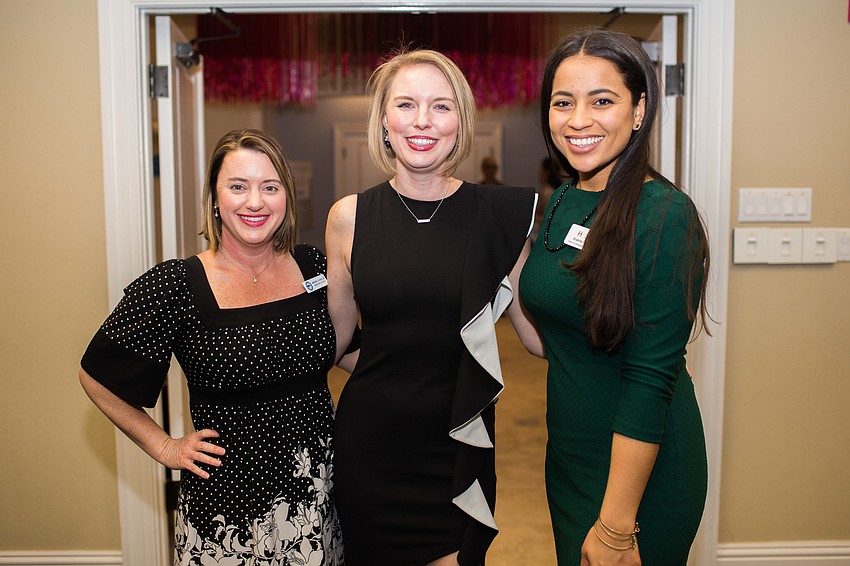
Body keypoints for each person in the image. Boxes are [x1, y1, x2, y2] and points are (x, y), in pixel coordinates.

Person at [79, 129, 344, 565]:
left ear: (286, 198)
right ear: (215, 198)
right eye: (238, 186)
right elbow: (98, 376)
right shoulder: (174, 286)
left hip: (319, 495)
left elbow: (344, 348)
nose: (254, 202)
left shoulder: (315, 267)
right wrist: (165, 447)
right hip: (228, 511)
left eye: (270, 187)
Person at [325, 49, 540, 566]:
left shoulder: (499, 218)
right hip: (371, 446)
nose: (422, 121)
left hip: (455, 446)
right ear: (383, 119)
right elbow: (335, 342)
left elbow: (535, 335)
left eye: (440, 107)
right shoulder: (348, 217)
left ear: (461, 121)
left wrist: (634, 346)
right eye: (406, 104)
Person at [519, 29, 710, 565]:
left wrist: (617, 527)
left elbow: (650, 380)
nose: (579, 120)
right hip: (573, 458)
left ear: (639, 107)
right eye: (563, 102)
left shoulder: (664, 216)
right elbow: (549, 341)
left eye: (602, 100)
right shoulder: (564, 199)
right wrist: (510, 267)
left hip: (638, 476)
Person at [530, 157, 564, 243]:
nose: (539, 173)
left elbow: (548, 217)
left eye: (541, 170)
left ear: (546, 173)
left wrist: (533, 217)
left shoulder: (548, 192)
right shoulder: (554, 190)